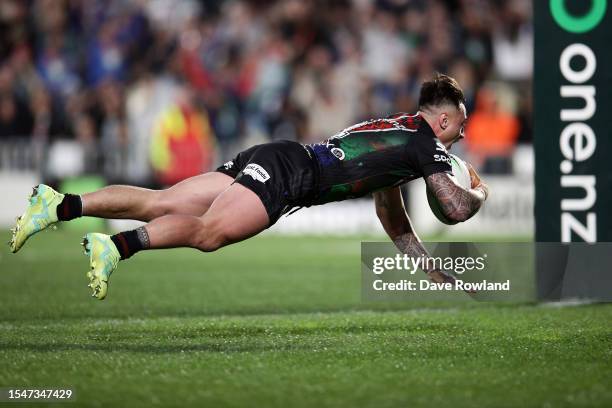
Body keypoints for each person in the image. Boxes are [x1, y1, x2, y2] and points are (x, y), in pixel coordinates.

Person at [9, 73, 489, 300]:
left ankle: (61, 205)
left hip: (276, 155)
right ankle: (114, 246)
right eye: (461, 125)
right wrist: (478, 192)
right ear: (444, 118)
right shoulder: (427, 145)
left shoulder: (400, 134)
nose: (463, 134)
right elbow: (453, 207)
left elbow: (390, 211)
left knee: (162, 202)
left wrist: (428, 267)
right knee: (208, 233)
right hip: (290, 175)